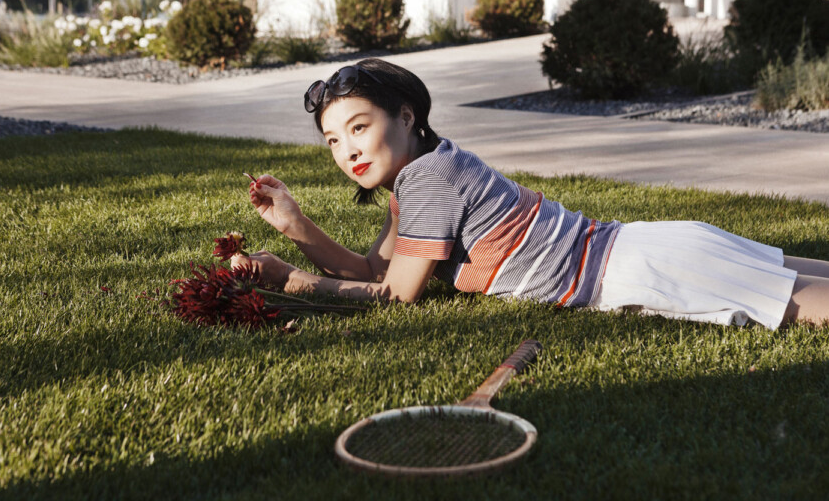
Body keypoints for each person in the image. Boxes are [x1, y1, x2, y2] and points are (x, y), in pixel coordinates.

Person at [234, 58, 829, 329]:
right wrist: (297, 227)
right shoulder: (424, 175)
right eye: (334, 141)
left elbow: (393, 297)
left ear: (407, 115)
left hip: (632, 270)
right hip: (647, 246)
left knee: (805, 306)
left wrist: (291, 279)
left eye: (359, 127)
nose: (348, 152)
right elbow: (372, 268)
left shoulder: (431, 182)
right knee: (801, 276)